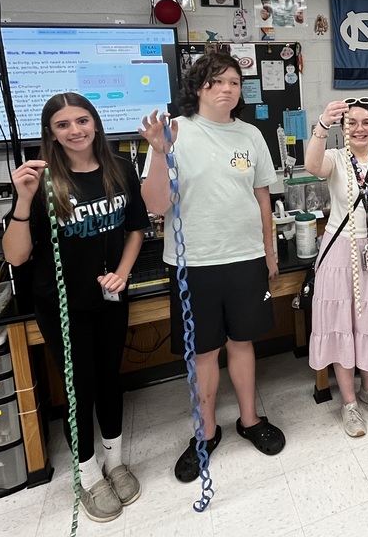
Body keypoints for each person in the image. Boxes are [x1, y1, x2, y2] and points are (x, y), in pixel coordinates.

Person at [138, 51, 285, 482]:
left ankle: (250, 420)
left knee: (242, 342)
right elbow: (155, 205)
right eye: (217, 81)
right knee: (203, 350)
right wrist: (162, 154)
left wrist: (270, 252)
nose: (227, 89)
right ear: (198, 87)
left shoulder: (251, 135)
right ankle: (204, 433)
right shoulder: (176, 132)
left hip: (245, 258)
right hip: (193, 263)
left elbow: (263, 199)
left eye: (235, 82)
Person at [2, 93, 148, 523]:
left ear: (96, 123)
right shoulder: (42, 179)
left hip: (109, 298)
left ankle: (114, 461)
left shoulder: (120, 169)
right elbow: (15, 256)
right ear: (51, 132)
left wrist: (122, 273)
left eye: (82, 120)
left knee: (109, 380)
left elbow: (136, 229)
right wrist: (24, 200)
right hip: (63, 305)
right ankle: (86, 473)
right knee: (79, 388)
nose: (75, 130)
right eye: (63, 125)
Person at [304, 98, 368, 438]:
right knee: (341, 324)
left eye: (367, 122)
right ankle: (348, 403)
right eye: (352, 123)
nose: (360, 128)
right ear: (343, 129)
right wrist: (322, 123)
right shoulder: (334, 159)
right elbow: (311, 164)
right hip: (339, 251)